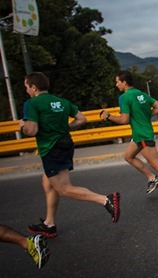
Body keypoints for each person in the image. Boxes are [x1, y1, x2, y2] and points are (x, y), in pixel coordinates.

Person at [21, 72, 120, 239]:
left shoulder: (32, 103)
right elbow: (82, 119)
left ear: (33, 87)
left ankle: (105, 200)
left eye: (26, 87)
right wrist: (65, 128)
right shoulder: (62, 102)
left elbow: (32, 130)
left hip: (51, 148)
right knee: (48, 183)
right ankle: (49, 224)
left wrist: (21, 127)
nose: (26, 90)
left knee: (64, 189)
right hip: (66, 144)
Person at [100, 70, 158, 199]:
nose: (116, 85)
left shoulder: (124, 97)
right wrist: (147, 115)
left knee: (154, 162)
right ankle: (152, 178)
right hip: (140, 133)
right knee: (128, 156)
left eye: (117, 82)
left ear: (124, 82)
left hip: (142, 134)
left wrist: (108, 116)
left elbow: (124, 120)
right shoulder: (140, 94)